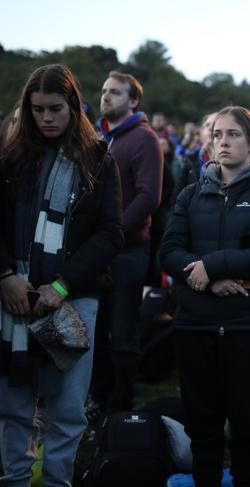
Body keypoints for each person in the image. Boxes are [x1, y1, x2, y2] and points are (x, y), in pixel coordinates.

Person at [0, 64, 123, 486]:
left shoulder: (98, 158)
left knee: (67, 409)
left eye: (55, 109)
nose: (46, 118)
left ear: (73, 106)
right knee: (13, 404)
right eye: (37, 110)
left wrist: (62, 284)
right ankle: (15, 480)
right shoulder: (10, 156)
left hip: (75, 296)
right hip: (12, 296)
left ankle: (57, 483)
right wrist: (5, 277)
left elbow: (111, 232)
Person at [160, 106, 250, 487]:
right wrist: (208, 279)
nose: (223, 141)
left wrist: (213, 264)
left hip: (249, 326)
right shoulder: (190, 194)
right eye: (218, 134)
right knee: (203, 424)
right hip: (196, 324)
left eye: (233, 134)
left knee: (249, 425)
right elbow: (168, 251)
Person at [92, 71, 163, 413]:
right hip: (97, 252)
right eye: (105, 91)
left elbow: (149, 196)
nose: (106, 97)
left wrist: (114, 232)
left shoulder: (144, 138)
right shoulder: (101, 137)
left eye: (115, 93)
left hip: (128, 250)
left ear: (133, 101)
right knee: (95, 327)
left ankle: (121, 405)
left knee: (123, 333)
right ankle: (100, 398)